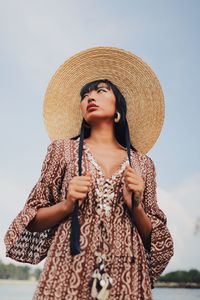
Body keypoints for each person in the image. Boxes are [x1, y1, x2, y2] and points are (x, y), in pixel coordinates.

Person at [4, 47, 174, 300]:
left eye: (100, 91)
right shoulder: (62, 151)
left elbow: (156, 241)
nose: (90, 98)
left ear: (119, 110)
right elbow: (32, 218)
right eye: (85, 95)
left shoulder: (143, 164)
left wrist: (136, 206)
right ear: (83, 112)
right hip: (67, 269)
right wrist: (67, 204)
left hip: (128, 272)